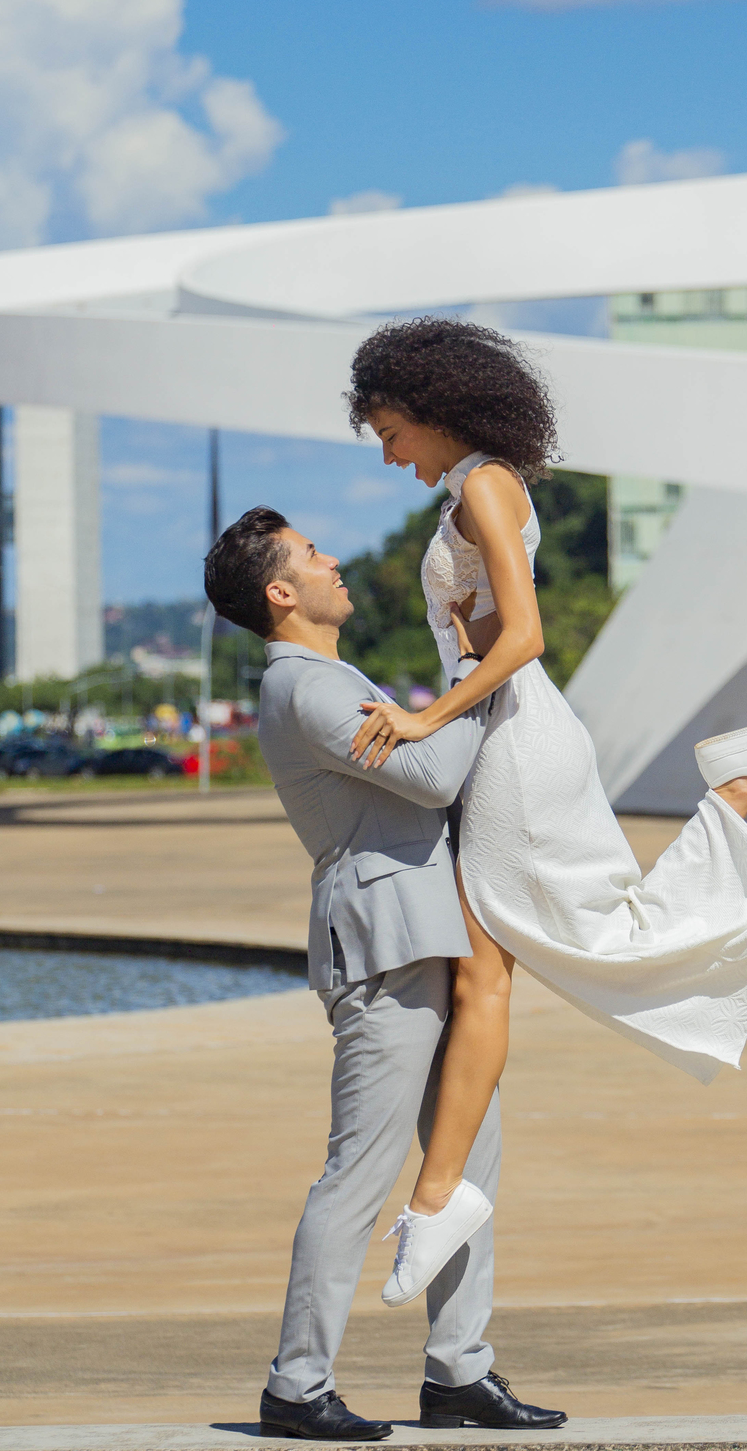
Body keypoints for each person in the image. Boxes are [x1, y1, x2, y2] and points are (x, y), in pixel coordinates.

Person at [343, 317, 747, 1308]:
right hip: (508, 733)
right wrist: (452, 654)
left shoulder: (483, 482)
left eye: (391, 428)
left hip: (514, 740)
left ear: (431, 406)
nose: (390, 451)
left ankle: (737, 787)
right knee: (499, 970)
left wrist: (419, 718)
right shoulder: (471, 489)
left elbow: (522, 637)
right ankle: (438, 1199)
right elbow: (486, 627)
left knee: (543, 959)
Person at [204, 507, 567, 1441]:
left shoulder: (331, 676)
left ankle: (459, 1373)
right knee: (358, 1176)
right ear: (282, 593)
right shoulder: (308, 690)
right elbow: (437, 774)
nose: (336, 563)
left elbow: (425, 756)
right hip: (383, 943)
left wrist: (450, 686)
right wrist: (473, 664)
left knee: (466, 1161)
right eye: (316, 556)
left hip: (429, 933)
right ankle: (296, 1386)